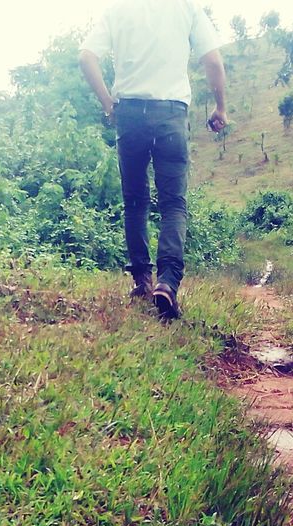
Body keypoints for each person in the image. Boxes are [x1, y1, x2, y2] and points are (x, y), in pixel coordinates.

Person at [79, 0, 228, 321]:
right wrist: (220, 107)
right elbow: (213, 61)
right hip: (171, 114)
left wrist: (108, 103)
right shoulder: (186, 7)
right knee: (173, 203)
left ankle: (141, 282)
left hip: (129, 113)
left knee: (135, 202)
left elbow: (86, 57)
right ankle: (168, 282)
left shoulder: (117, 9)